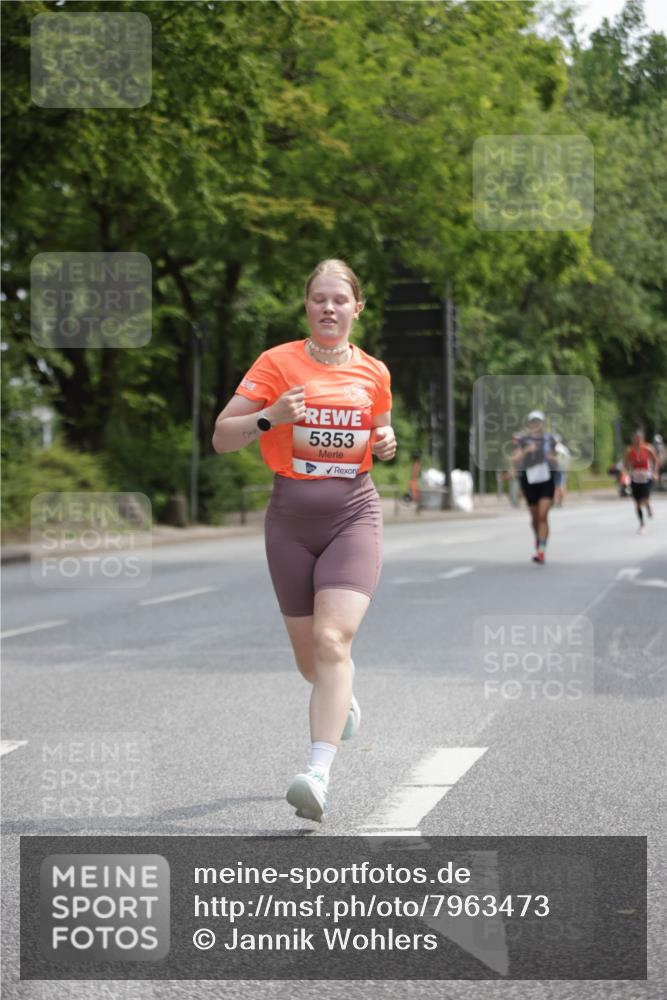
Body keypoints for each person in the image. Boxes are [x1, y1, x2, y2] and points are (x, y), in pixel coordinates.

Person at [212, 259, 396, 822]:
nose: (329, 309)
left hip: (353, 514)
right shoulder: (276, 363)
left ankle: (317, 773)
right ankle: (339, 695)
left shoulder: (374, 372)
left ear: (356, 308)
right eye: (319, 299)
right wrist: (269, 417)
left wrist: (386, 441)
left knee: (332, 640)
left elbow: (379, 431)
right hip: (289, 521)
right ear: (307, 306)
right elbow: (222, 438)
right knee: (309, 659)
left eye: (340, 299)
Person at [512, 410, 557, 564]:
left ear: (543, 423)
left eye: (538, 422)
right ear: (529, 423)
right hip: (529, 480)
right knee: (534, 517)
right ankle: (538, 538)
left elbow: (558, 460)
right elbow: (515, 459)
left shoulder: (549, 439)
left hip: (546, 479)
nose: (536, 424)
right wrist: (526, 451)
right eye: (533, 422)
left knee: (543, 515)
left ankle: (542, 551)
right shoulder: (522, 440)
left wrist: (552, 460)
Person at [624, 429, 658, 533]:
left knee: (645, 499)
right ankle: (642, 525)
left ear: (642, 439)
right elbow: (625, 463)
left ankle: (648, 508)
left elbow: (655, 461)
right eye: (635, 439)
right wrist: (627, 473)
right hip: (635, 479)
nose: (637, 441)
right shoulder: (630, 450)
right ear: (633, 440)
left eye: (639, 439)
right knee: (637, 503)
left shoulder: (648, 449)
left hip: (646, 478)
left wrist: (655, 473)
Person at [553, 434, 570, 507]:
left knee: (557, 486)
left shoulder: (556, 448)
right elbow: (568, 460)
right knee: (561, 485)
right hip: (563, 469)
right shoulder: (564, 448)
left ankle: (557, 502)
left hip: (556, 469)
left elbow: (555, 459)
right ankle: (560, 502)